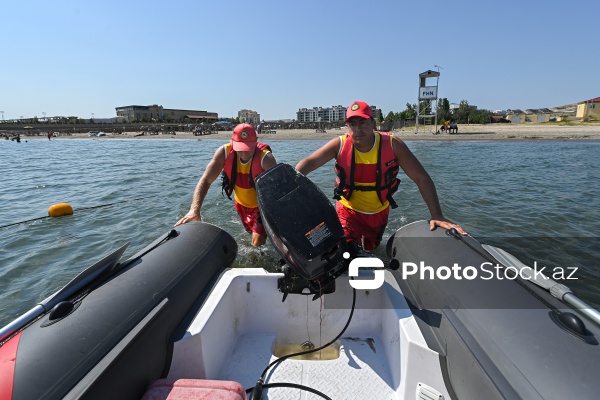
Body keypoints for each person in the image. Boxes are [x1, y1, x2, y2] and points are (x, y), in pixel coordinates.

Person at [296, 100, 466, 250]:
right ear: (348, 127)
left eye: (363, 122)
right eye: (353, 124)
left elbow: (421, 178)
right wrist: (288, 188)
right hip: (347, 211)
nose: (358, 129)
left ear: (373, 123)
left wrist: (436, 215)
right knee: (347, 251)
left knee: (371, 250)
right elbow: (308, 163)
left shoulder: (393, 145)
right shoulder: (339, 145)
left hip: (379, 213)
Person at [175, 123, 276, 246]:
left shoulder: (266, 159)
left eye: (248, 148)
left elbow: (278, 192)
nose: (244, 154)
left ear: (256, 142)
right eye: (240, 148)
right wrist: (194, 211)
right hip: (241, 205)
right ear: (232, 143)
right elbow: (206, 180)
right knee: (251, 236)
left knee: (257, 242)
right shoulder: (224, 153)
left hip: (262, 206)